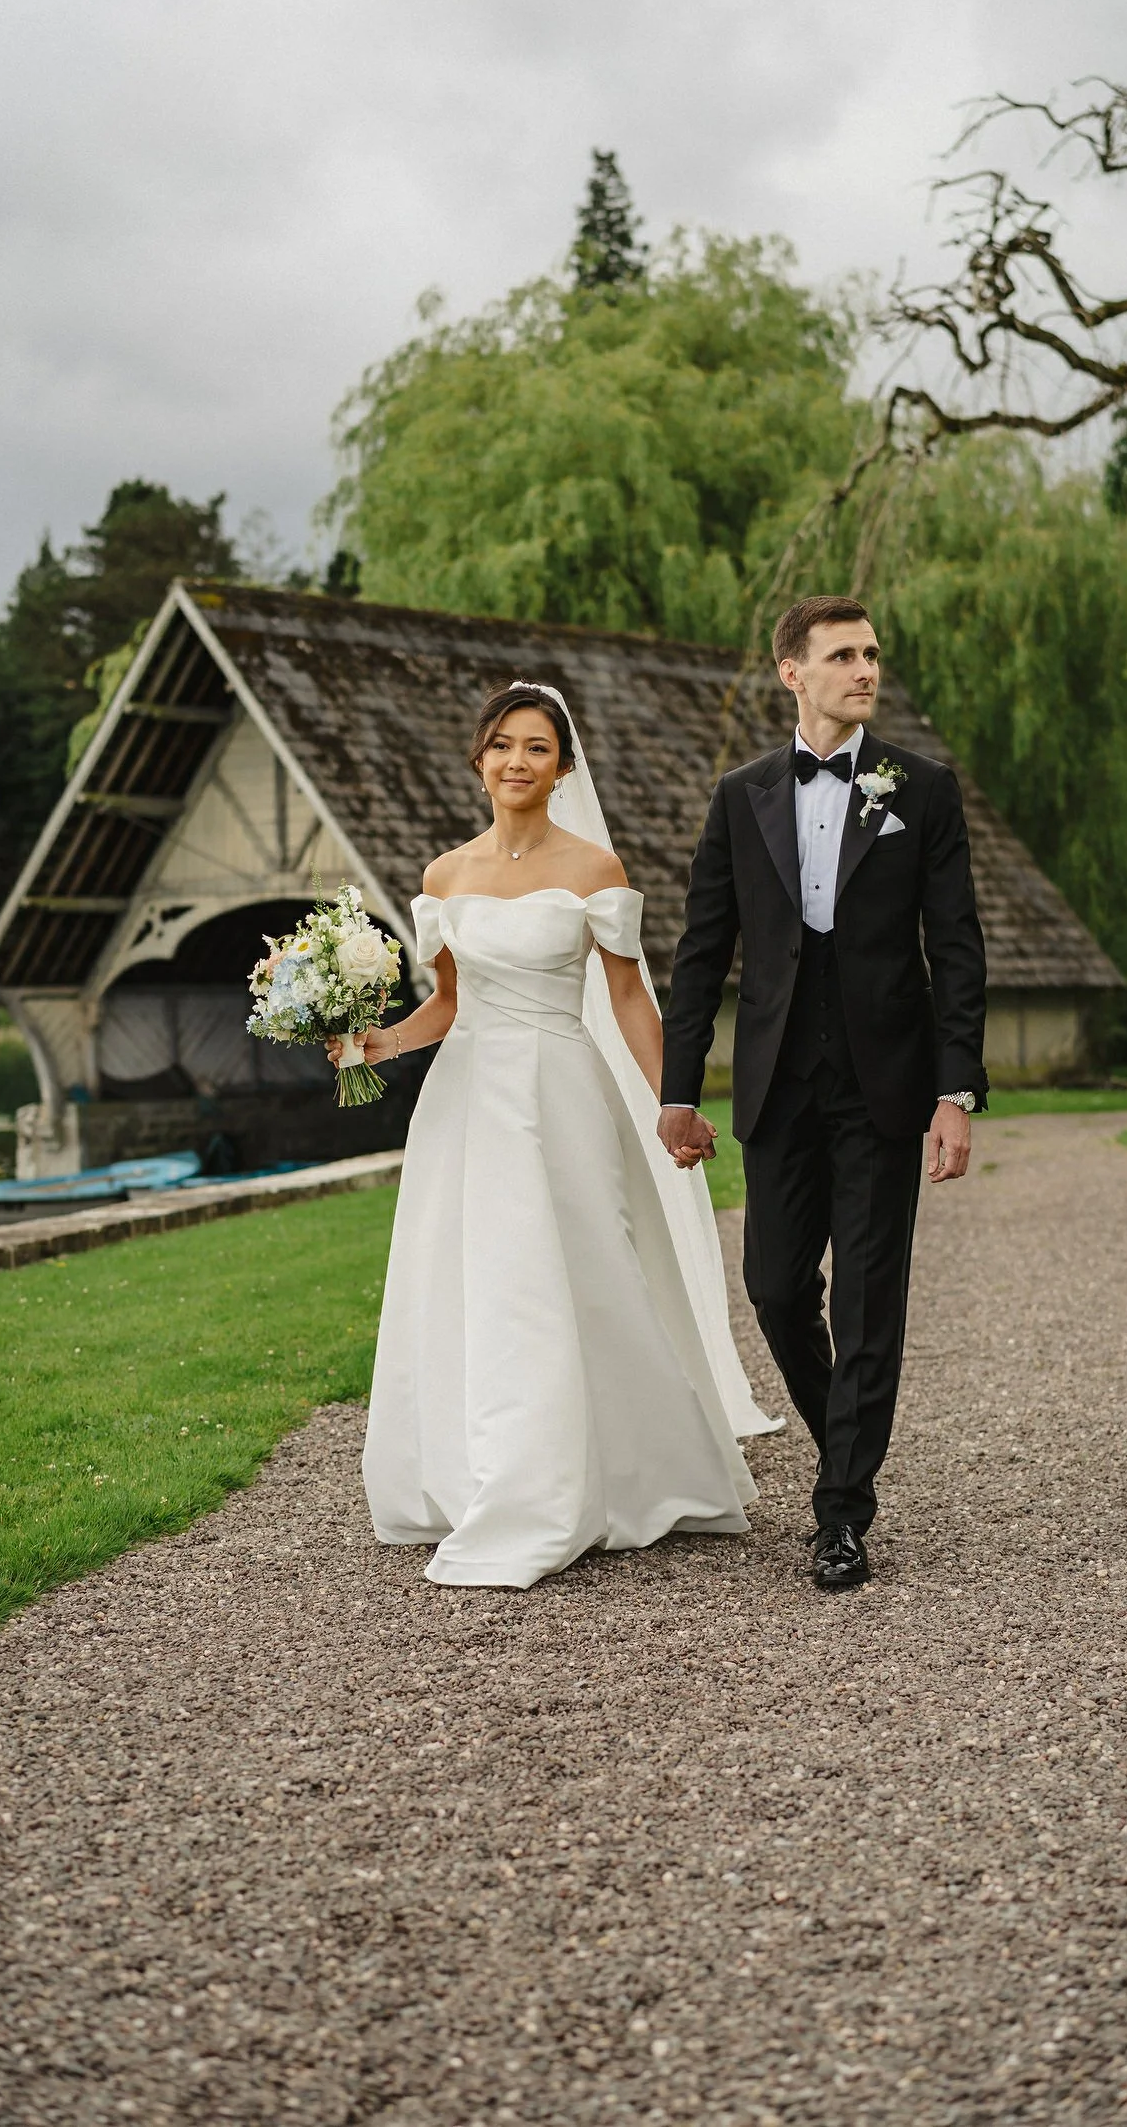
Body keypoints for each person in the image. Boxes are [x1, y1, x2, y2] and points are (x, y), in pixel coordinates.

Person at [341, 681, 777, 1590]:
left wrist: (674, 1100)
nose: (516, 761)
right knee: (475, 1279)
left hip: (561, 1094)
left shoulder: (594, 871)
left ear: (563, 767)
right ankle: (487, 1475)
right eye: (501, 744)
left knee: (580, 1272)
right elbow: (451, 1005)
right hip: (467, 1102)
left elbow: (625, 995)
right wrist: (373, 1042)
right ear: (479, 759)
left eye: (536, 748)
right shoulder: (444, 876)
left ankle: (616, 1473)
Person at [657, 596, 988, 1593]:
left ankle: (842, 1510)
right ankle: (846, 1426)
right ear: (790, 672)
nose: (866, 670)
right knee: (772, 1287)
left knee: (871, 1300)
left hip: (887, 1084)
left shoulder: (920, 790)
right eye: (843, 655)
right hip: (777, 1084)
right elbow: (701, 951)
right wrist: (679, 1090)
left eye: (874, 653)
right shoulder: (741, 795)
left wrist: (955, 1092)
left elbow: (957, 947)